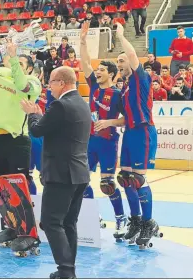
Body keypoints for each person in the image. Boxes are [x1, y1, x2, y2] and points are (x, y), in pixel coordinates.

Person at [21, 66, 90, 280]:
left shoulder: (60, 105)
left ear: (61, 83)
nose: (48, 86)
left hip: (61, 175)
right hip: (79, 173)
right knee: (68, 223)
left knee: (51, 222)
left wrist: (33, 114)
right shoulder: (81, 103)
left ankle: (66, 270)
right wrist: (41, 116)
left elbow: (37, 130)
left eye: (50, 82)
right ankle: (67, 270)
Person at [0, 23, 42, 240]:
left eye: (22, 63)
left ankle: (29, 233)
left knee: (17, 188)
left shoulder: (33, 82)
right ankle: (13, 226)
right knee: (0, 189)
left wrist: (15, 59)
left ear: (30, 68)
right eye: (14, 61)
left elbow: (22, 85)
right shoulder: (3, 73)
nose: (15, 64)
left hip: (18, 141)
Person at [79, 22, 127, 238]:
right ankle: (92, 216)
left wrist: (109, 123)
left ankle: (120, 219)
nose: (97, 72)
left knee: (107, 184)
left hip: (108, 142)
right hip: (90, 141)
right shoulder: (94, 87)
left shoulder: (118, 94)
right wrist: (82, 40)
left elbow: (127, 120)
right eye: (97, 70)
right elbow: (85, 62)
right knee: (81, 181)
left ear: (111, 74)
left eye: (101, 70)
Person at [115, 23, 159, 247]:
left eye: (121, 61)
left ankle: (149, 222)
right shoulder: (123, 88)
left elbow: (132, 54)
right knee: (125, 179)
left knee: (138, 180)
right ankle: (135, 220)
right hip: (130, 133)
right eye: (118, 62)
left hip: (143, 132)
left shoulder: (141, 78)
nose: (119, 64)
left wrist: (122, 35)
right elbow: (125, 117)